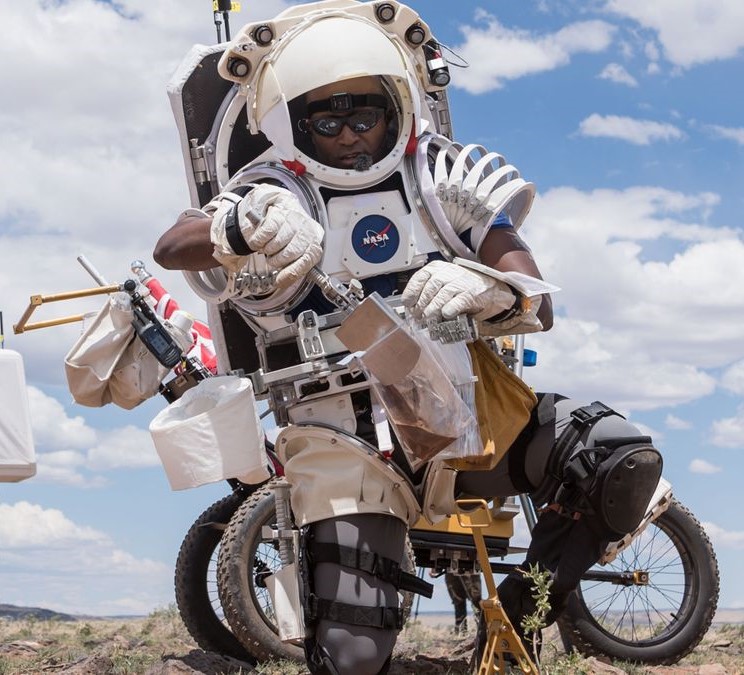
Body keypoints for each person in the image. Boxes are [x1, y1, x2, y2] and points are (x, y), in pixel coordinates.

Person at [155, 3, 663, 673]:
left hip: (467, 416)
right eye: (324, 120)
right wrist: (242, 225)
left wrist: (493, 290)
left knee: (615, 457)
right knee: (353, 656)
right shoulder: (271, 189)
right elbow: (174, 245)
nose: (346, 136)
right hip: (343, 436)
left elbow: (533, 294)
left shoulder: (439, 176)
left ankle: (519, 615)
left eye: (361, 115)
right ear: (293, 124)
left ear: (392, 105)